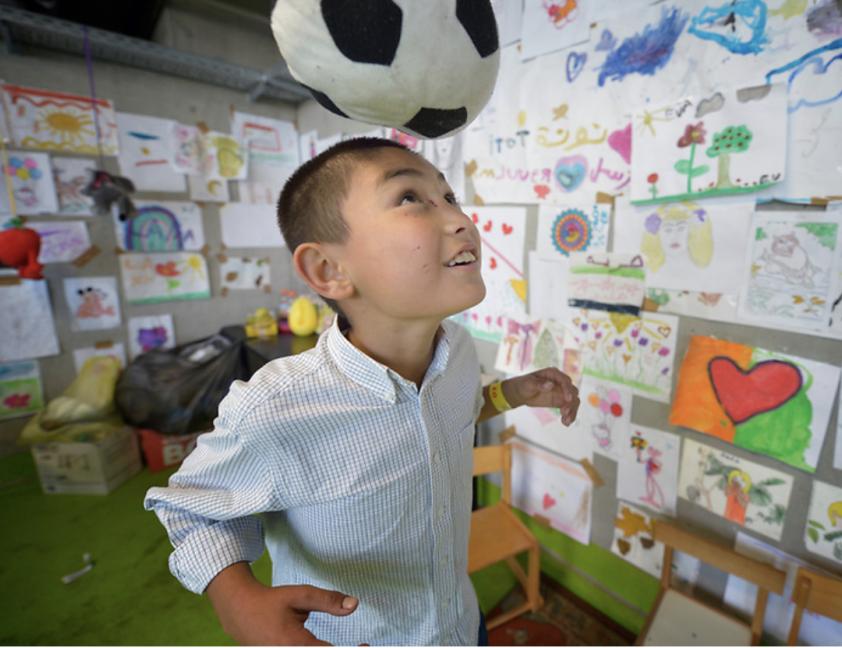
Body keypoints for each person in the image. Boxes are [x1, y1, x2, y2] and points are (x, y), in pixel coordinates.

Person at [144, 137, 580, 646]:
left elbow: (444, 416)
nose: (462, 221)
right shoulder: (276, 404)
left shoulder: (458, 349)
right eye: (410, 199)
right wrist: (235, 602)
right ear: (330, 270)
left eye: (449, 197)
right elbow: (190, 507)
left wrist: (509, 393)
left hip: (459, 622)